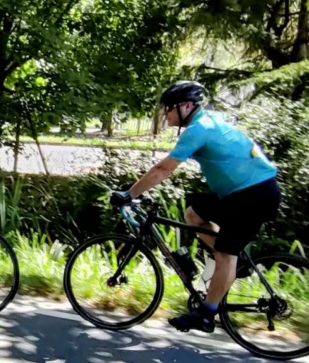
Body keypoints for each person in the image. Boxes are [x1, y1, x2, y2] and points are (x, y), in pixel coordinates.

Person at [110, 80, 281, 334]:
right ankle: (235, 265)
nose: (165, 114)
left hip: (252, 196)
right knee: (194, 212)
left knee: (225, 254)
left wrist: (129, 194)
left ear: (186, 106)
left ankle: (206, 314)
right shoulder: (208, 120)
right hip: (246, 193)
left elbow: (163, 169)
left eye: (168, 108)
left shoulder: (198, 129)